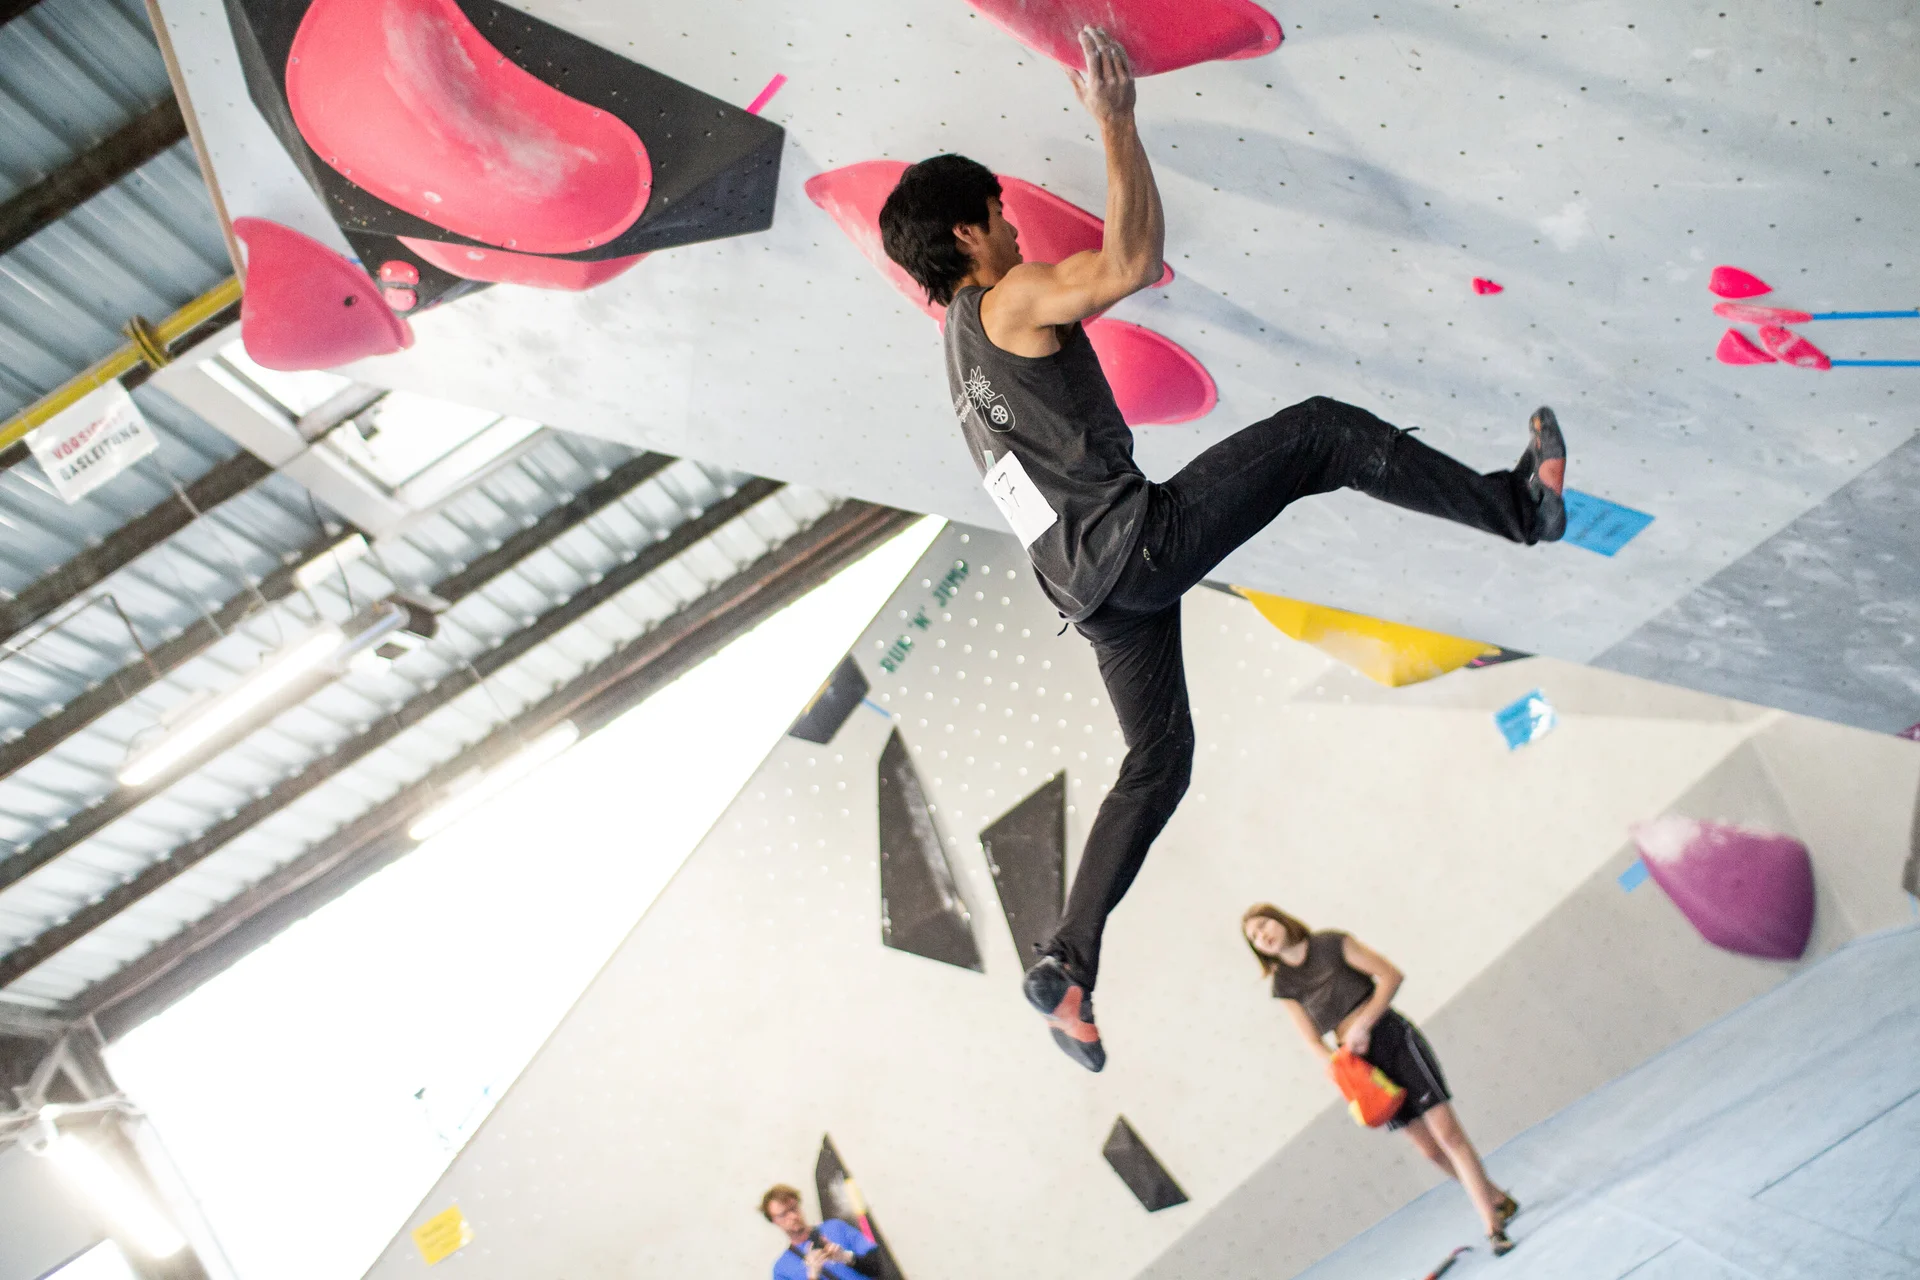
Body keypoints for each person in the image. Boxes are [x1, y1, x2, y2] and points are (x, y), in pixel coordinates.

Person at [877, 27, 1567, 1072]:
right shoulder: (1004, 299)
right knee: (1323, 432)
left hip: (1091, 592)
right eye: (1004, 218)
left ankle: (1067, 964)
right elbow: (1130, 263)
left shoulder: (955, 348)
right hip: (1132, 547)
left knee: (1157, 763)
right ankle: (1518, 508)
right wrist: (1114, 120)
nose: (1017, 230)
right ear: (969, 235)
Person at [1241, 904, 1521, 1255]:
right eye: (1254, 937)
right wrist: (1338, 1067)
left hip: (1392, 1038)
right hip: (1361, 1065)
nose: (1262, 936)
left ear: (1280, 920)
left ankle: (1491, 1225)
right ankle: (1495, 1198)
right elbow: (1311, 1040)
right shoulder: (1283, 984)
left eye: (1263, 925)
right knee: (1429, 1149)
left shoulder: (1330, 943)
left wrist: (1364, 1024)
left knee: (1448, 1134)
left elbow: (1390, 976)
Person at [760, 1184, 885, 1280]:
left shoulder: (835, 1228)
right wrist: (813, 1274)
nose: (793, 1216)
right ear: (773, 1220)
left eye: (794, 1208)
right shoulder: (782, 1268)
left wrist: (845, 1257)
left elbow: (880, 1266)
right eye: (783, 1214)